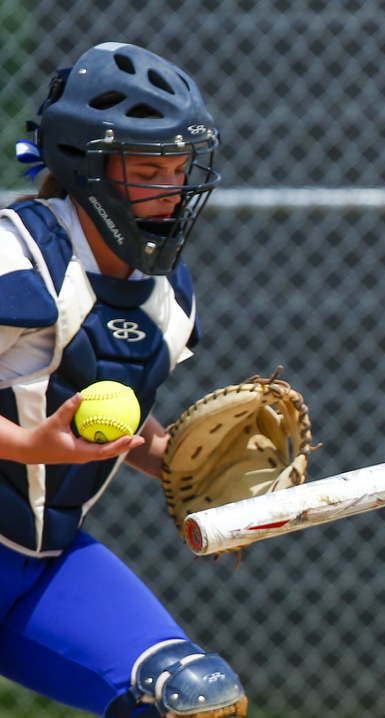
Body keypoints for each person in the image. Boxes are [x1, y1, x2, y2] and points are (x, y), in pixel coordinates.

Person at [0, 43, 247, 718]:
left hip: (42, 558)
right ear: (88, 167)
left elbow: (103, 414)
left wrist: (180, 463)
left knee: (189, 699)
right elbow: (44, 433)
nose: (170, 189)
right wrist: (26, 446)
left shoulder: (166, 294)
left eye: (178, 167)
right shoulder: (18, 255)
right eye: (147, 169)